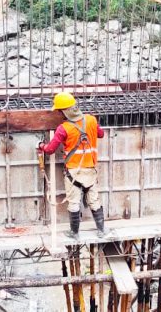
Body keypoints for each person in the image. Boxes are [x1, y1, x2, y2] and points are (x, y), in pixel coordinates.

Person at [38, 92, 108, 239]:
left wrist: (41, 146)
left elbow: (50, 149)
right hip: (91, 170)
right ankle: (102, 230)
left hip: (74, 173)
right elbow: (101, 134)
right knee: (94, 200)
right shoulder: (91, 120)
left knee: (74, 202)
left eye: (59, 111)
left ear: (65, 111)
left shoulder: (63, 128)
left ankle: (74, 233)